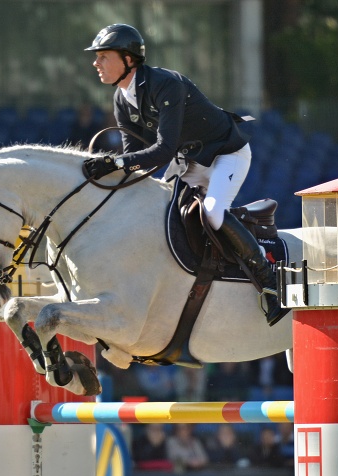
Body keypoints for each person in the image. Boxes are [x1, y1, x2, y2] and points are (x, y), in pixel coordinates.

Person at [82, 24, 286, 326]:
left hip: (224, 155)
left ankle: (269, 282)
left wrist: (115, 164)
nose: (95, 63)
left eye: (103, 56)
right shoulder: (121, 98)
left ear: (128, 59)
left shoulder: (166, 84)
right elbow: (135, 158)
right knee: (160, 217)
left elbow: (161, 151)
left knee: (213, 212)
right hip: (188, 162)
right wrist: (109, 176)